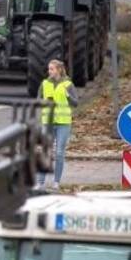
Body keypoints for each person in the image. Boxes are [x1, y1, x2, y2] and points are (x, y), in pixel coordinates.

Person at [37, 59, 77, 190]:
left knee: (59, 153)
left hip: (63, 123)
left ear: (59, 70)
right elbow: (38, 101)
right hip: (47, 122)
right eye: (49, 69)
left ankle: (56, 182)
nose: (49, 71)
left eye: (52, 69)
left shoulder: (68, 84)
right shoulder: (44, 84)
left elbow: (75, 103)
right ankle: (40, 182)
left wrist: (68, 96)